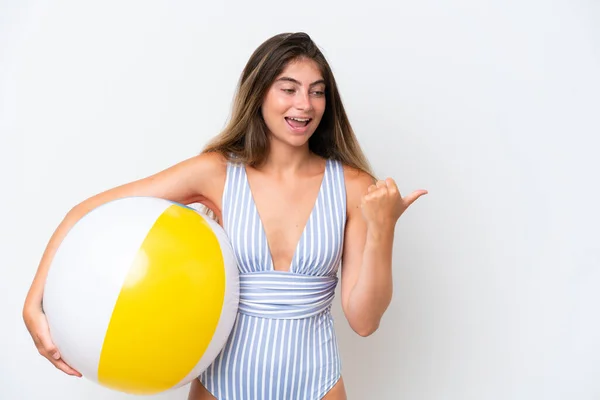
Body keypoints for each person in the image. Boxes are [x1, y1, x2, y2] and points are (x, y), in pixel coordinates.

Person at [22, 32, 427, 400]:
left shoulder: (355, 186)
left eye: (317, 92)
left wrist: (383, 228)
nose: (304, 104)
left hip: (317, 384)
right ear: (260, 93)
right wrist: (33, 304)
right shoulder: (215, 173)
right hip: (221, 386)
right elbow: (87, 212)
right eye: (289, 89)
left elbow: (363, 320)